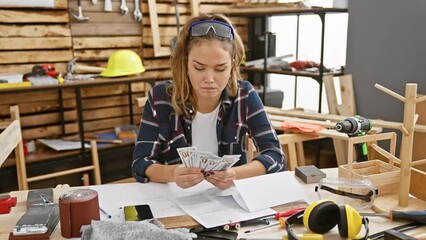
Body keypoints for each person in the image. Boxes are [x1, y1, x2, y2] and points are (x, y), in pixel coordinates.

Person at [132, 13, 286, 190]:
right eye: (199, 67)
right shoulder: (160, 98)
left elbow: (276, 156)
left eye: (220, 68)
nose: (209, 79)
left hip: (229, 202)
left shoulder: (245, 95)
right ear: (185, 63)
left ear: (233, 65)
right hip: (176, 201)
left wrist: (236, 175)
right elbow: (140, 163)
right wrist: (173, 174)